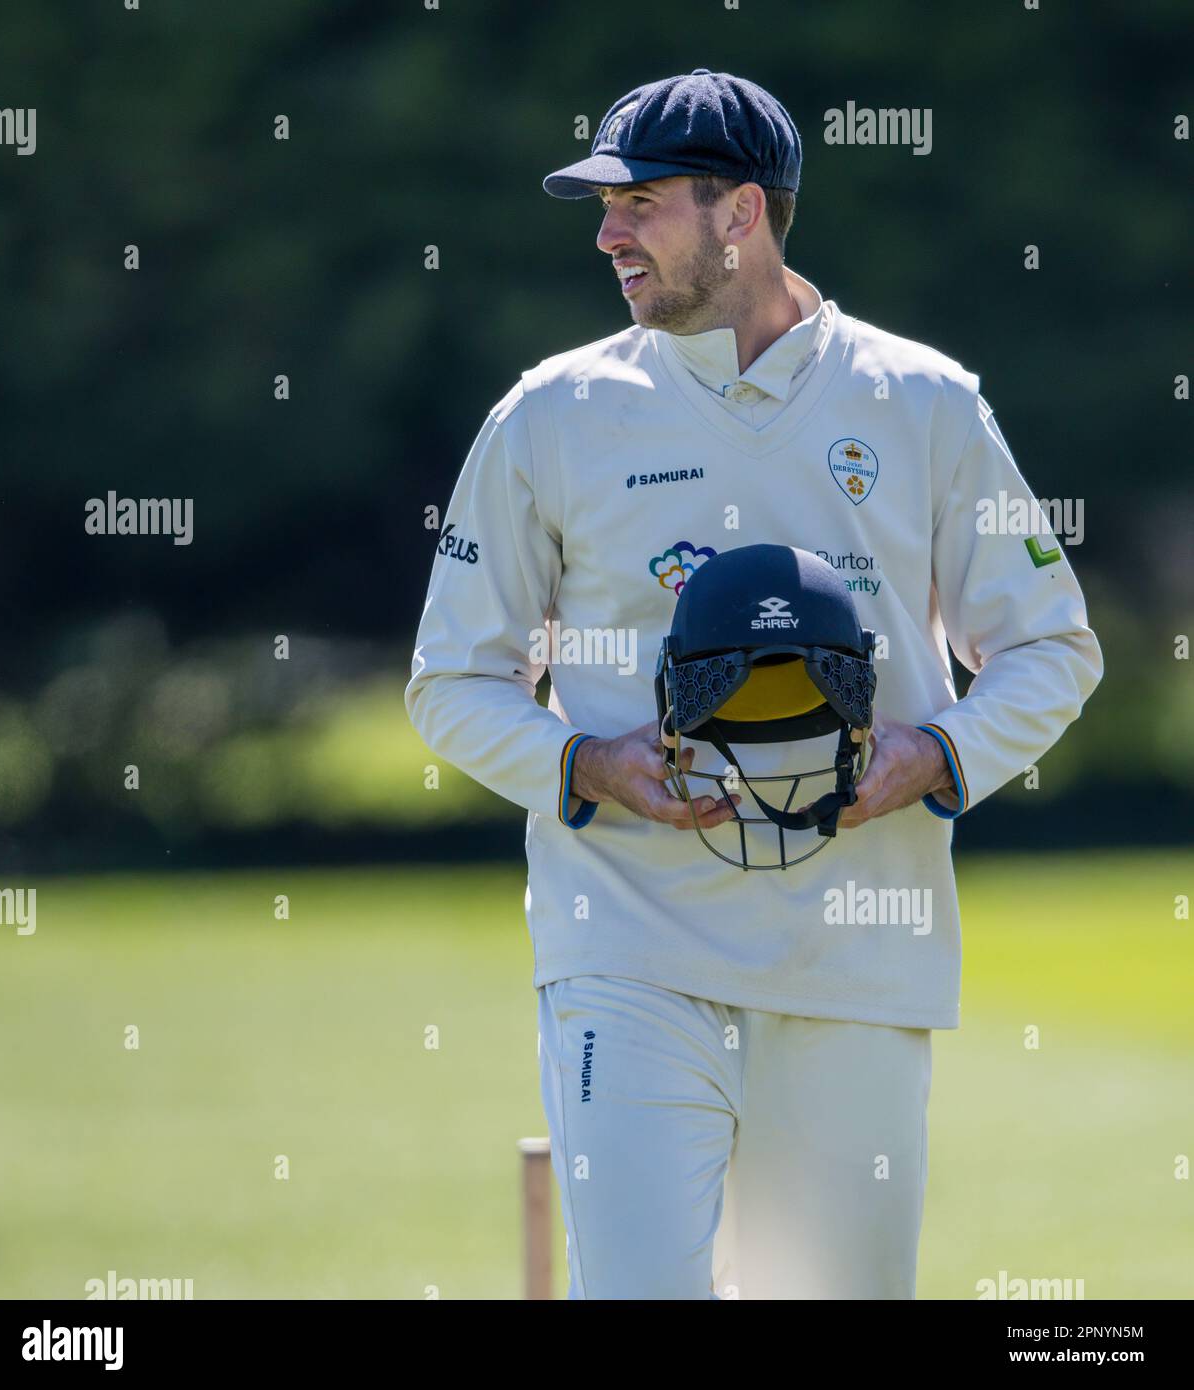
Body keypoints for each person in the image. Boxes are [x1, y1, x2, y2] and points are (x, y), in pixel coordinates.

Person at [405, 68, 1102, 1299]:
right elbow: (451, 680)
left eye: (643, 203)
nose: (609, 232)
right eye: (605, 207)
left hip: (859, 962)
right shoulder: (549, 415)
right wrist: (585, 764)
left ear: (743, 215)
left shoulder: (924, 401)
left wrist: (932, 759)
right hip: (622, 947)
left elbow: (1053, 647)